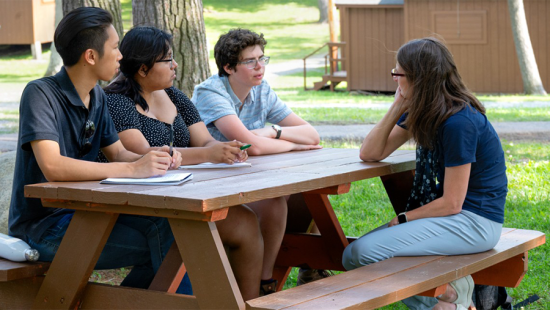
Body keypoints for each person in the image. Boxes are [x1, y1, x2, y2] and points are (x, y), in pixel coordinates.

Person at [8, 7, 188, 293]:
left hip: (88, 213)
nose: (121, 55)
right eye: (115, 48)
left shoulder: (97, 97)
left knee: (169, 229)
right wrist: (133, 169)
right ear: (90, 56)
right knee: (174, 246)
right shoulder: (40, 94)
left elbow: (118, 153)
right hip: (44, 228)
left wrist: (154, 158)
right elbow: (53, 166)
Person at [100, 26, 265, 300]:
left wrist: (223, 149)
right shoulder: (116, 102)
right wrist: (208, 154)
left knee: (245, 222)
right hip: (139, 207)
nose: (175, 64)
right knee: (188, 238)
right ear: (143, 68)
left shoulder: (175, 96)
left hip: (183, 195)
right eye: (167, 59)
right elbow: (143, 153)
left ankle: (248, 304)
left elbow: (204, 142)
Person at [342, 37, 507, 310]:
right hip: (454, 218)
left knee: (360, 254)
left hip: (475, 222)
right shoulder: (427, 112)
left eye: (399, 74)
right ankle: (448, 296)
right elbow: (370, 152)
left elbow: (453, 202)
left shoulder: (458, 122)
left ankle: (449, 298)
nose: (395, 81)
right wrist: (397, 106)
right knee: (354, 256)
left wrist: (405, 218)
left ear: (419, 78)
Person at [192, 28, 323, 290]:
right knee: (277, 202)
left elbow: (312, 135)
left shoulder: (261, 90)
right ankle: (265, 283)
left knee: (311, 195)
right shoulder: (211, 93)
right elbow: (252, 147)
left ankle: (296, 272)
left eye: (262, 58)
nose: (259, 66)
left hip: (252, 177)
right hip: (213, 183)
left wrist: (274, 131)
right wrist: (291, 146)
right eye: (250, 61)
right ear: (229, 67)